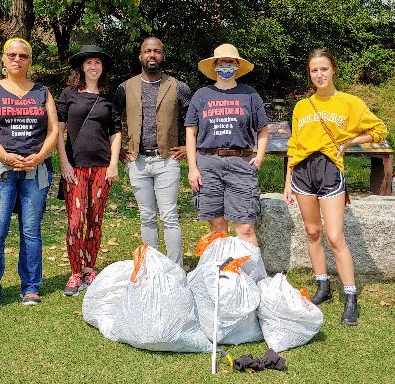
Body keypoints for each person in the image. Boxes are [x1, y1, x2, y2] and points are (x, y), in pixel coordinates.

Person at [283, 48, 387, 325]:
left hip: (330, 170)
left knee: (334, 236)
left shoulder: (349, 103)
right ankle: (323, 286)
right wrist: (287, 181)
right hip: (303, 172)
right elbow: (294, 146)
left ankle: (350, 295)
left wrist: (349, 142)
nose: (319, 74)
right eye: (314, 70)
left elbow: (379, 130)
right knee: (312, 231)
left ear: (333, 71)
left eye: (324, 69)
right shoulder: (302, 106)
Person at [0, 38, 59, 307]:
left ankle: (31, 286)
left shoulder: (43, 92)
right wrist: (4, 155)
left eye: (23, 56)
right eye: (12, 55)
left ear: (30, 60)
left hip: (35, 171)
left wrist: (39, 156)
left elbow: (54, 130)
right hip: (2, 169)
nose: (17, 59)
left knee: (31, 231)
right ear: (3, 58)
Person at [115, 37, 191, 266]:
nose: (152, 55)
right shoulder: (125, 87)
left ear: (163, 56)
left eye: (157, 51)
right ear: (140, 55)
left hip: (167, 161)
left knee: (170, 216)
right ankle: (151, 267)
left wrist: (188, 146)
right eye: (147, 51)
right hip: (138, 161)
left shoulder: (178, 87)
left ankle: (174, 268)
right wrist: (118, 149)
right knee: (146, 217)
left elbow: (195, 119)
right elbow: (111, 119)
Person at [185, 43, 269, 246]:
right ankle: (221, 274)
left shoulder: (250, 95)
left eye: (231, 62)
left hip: (241, 164)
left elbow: (263, 129)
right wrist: (192, 168)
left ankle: (251, 275)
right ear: (214, 65)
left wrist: (259, 156)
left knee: (245, 227)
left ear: (237, 65)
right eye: (222, 62)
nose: (226, 66)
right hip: (208, 164)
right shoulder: (201, 95)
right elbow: (190, 131)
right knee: (216, 226)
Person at [56, 45, 122, 296]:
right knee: (75, 222)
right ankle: (75, 273)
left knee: (95, 220)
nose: (93, 67)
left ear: (102, 68)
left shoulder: (108, 97)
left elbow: (116, 132)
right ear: (82, 67)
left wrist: (113, 163)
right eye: (89, 63)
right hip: (75, 167)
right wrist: (64, 163)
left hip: (102, 167)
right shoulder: (68, 95)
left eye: (98, 62)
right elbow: (58, 132)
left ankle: (89, 269)